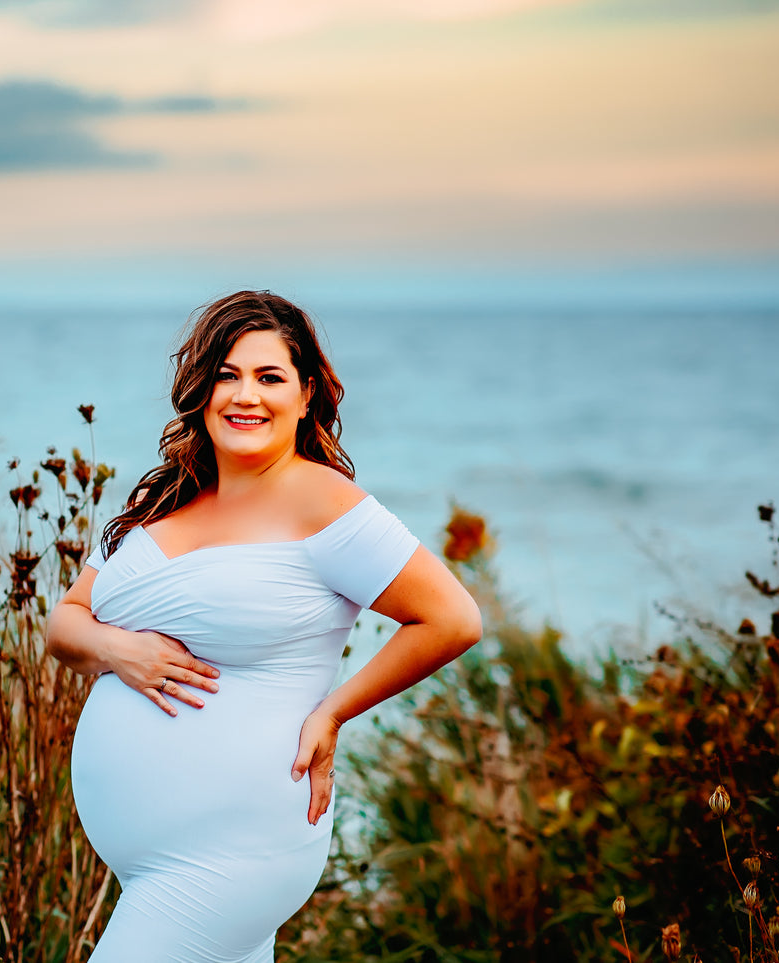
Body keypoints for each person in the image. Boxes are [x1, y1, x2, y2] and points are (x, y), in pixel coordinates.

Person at [46, 290, 482, 962]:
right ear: (200, 387)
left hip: (237, 847)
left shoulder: (322, 500)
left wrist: (334, 711)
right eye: (226, 373)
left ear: (306, 393)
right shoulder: (157, 497)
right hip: (150, 860)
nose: (243, 395)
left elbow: (451, 618)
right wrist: (119, 650)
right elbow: (65, 623)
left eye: (268, 376)